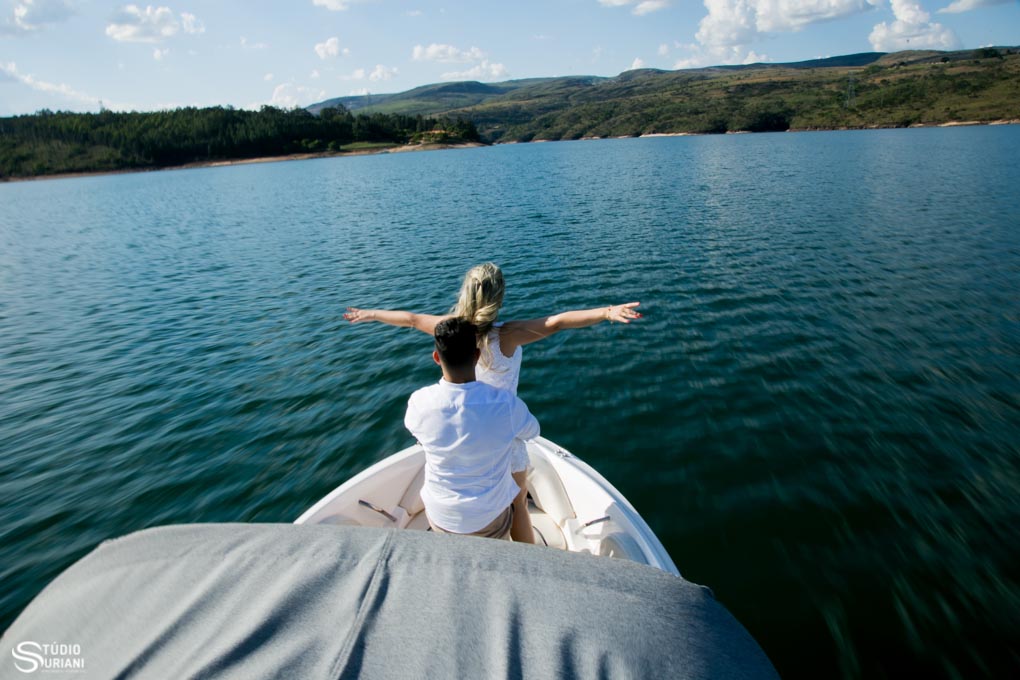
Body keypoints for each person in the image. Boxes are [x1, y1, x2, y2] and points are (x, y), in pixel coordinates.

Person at [345, 262, 642, 543]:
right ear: (498, 297)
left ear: (466, 291)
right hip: (504, 430)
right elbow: (557, 323)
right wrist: (607, 311)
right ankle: (527, 558)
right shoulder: (508, 335)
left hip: (462, 429)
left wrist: (370, 314)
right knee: (518, 503)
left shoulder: (450, 329)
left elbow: (410, 320)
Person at [404, 317, 540, 540]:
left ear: (436, 358)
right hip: (489, 516)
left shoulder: (419, 402)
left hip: (440, 515)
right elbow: (533, 431)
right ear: (477, 357)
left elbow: (415, 429)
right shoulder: (505, 404)